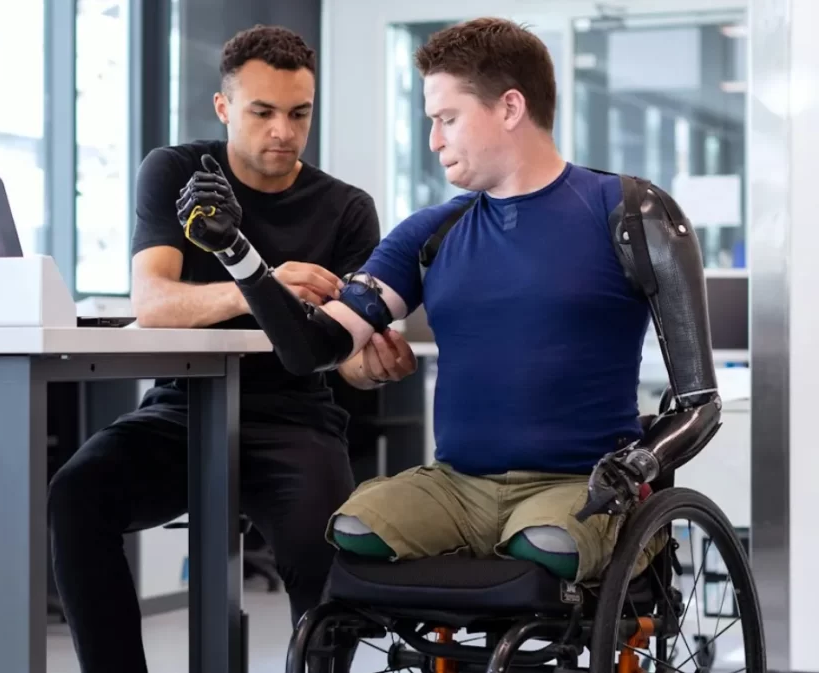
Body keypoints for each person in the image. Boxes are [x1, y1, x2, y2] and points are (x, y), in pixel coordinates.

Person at [179, 17, 720, 586]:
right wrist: (237, 254)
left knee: (544, 548)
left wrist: (640, 464)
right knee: (351, 531)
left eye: (447, 119)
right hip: (455, 487)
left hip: (575, 485)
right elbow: (313, 347)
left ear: (510, 108)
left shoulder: (632, 215)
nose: (434, 140)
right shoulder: (428, 235)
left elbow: (700, 403)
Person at [47, 24, 418, 673]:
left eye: (299, 113)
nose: (284, 130)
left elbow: (352, 361)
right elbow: (154, 303)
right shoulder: (178, 173)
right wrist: (259, 286)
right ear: (223, 108)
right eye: (263, 111)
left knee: (331, 557)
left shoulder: (346, 209)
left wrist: (371, 366)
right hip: (182, 408)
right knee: (77, 495)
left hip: (295, 417)